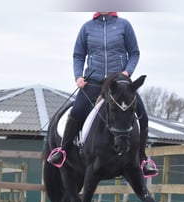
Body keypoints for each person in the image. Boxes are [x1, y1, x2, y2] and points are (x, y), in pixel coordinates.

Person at [47, 11, 158, 177]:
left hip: (119, 82)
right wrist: (78, 76)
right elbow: (78, 55)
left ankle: (143, 159)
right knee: (76, 111)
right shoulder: (87, 28)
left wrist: (127, 72)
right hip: (94, 80)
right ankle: (62, 151)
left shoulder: (124, 25)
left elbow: (134, 53)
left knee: (142, 115)